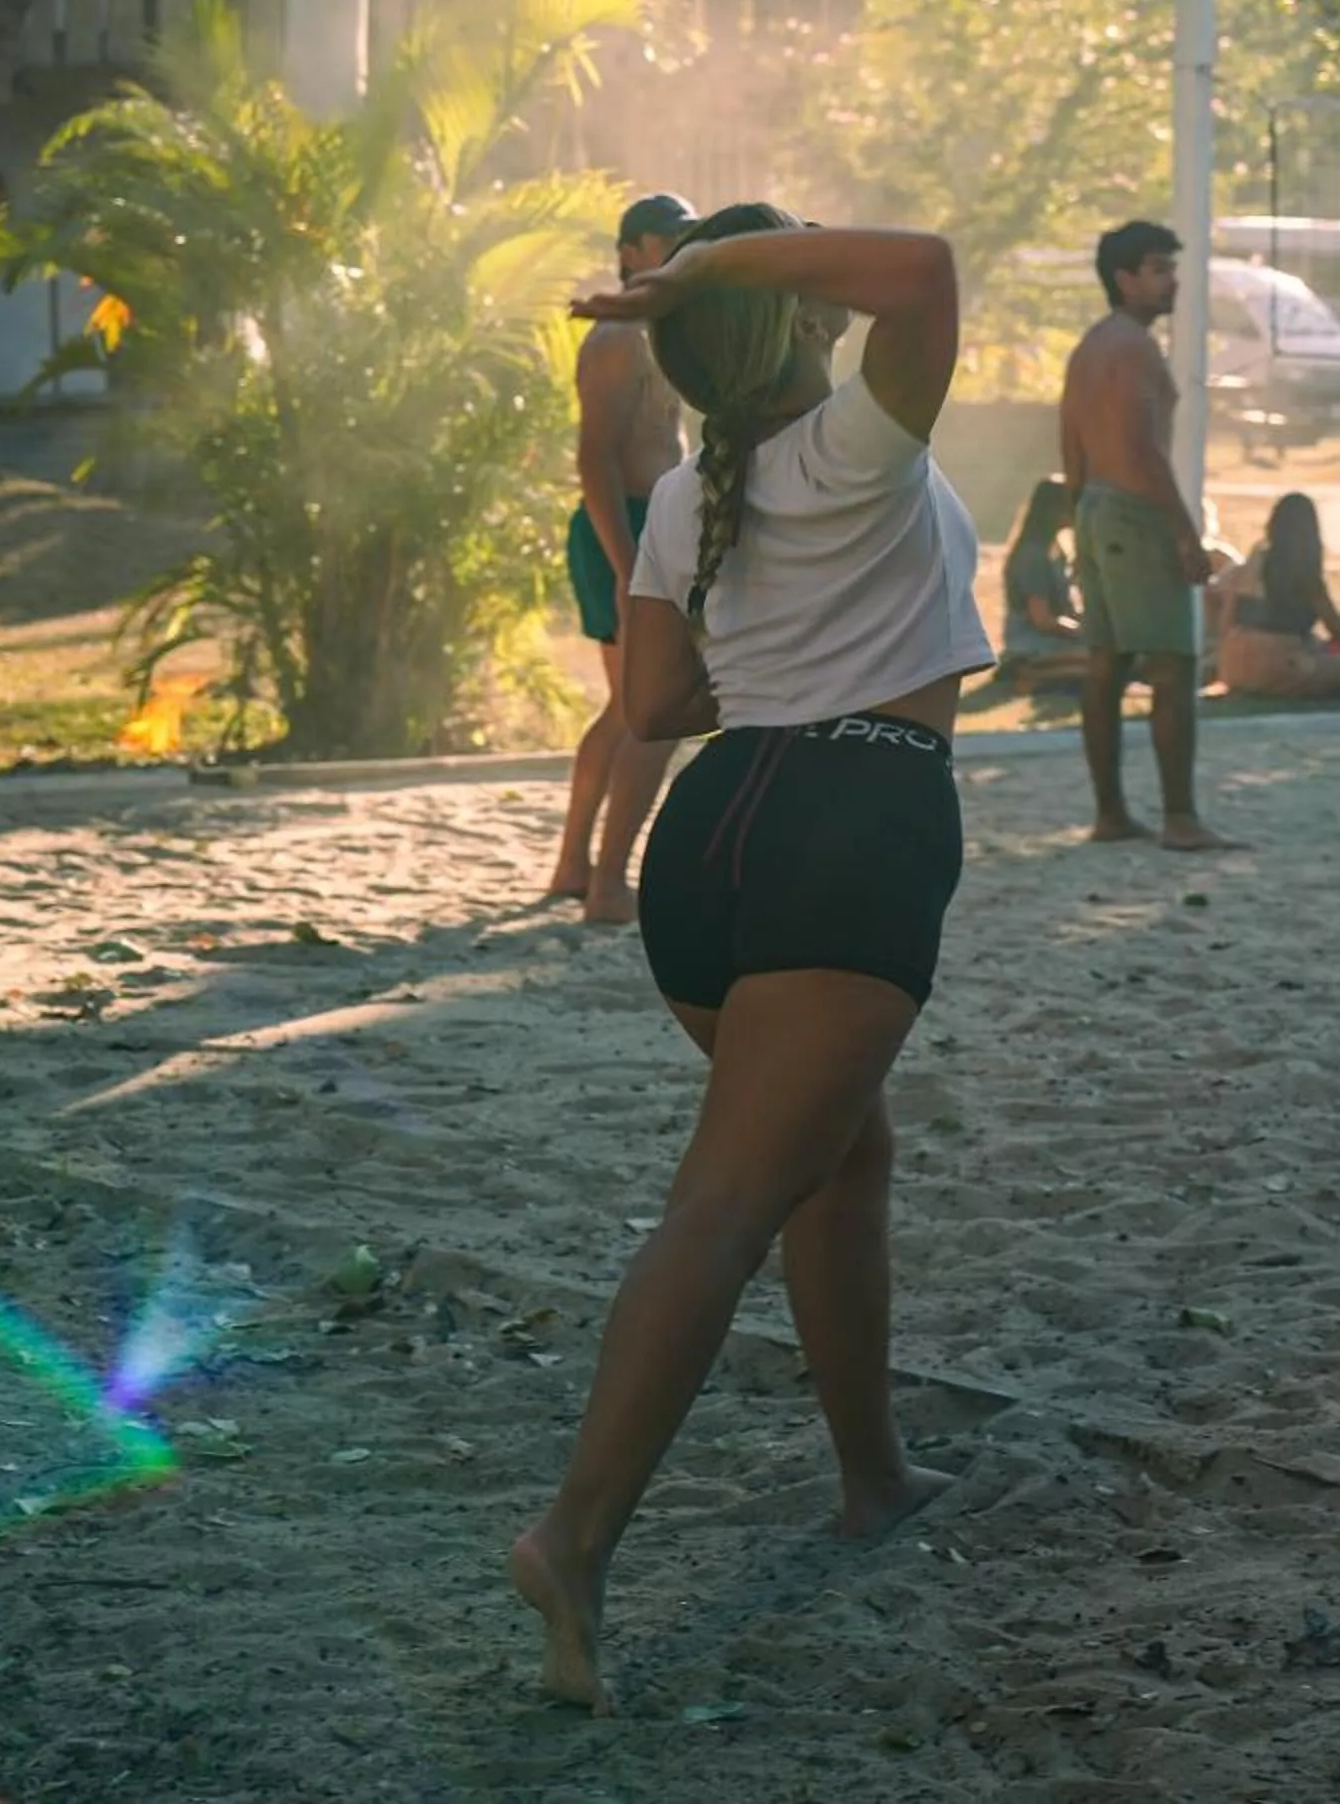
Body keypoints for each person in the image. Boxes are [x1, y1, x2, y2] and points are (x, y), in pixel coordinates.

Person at [512, 208, 993, 1712]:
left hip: (713, 847)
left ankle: (874, 1475)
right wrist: (723, 263)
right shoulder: (859, 444)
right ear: (783, 316)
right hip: (847, 829)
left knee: (838, 1160)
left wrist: (789, 668)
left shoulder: (687, 494)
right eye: (790, 276)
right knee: (724, 1204)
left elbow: (654, 705)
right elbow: (922, 267)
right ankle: (573, 1537)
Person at [1059, 218, 1232, 851]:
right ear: (1124, 278)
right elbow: (1140, 447)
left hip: (1097, 511)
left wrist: (1079, 521)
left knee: (1106, 666)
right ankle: (1181, 818)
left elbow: (1071, 445)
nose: (1172, 280)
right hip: (1134, 510)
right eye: (1158, 268)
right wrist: (1185, 532)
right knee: (1173, 667)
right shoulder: (1131, 346)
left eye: (1172, 267)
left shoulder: (1091, 345)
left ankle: (1111, 813)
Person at [547, 193, 694, 924]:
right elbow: (595, 461)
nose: (679, 249)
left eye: (687, 238)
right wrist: (628, 562)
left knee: (625, 710)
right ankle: (607, 888)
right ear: (630, 250)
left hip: (659, 526)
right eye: (665, 239)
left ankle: (573, 867)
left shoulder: (668, 329)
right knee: (650, 714)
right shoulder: (615, 339)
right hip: (625, 529)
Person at [1215, 492, 1340, 701]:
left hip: (1234, 668)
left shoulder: (1252, 562)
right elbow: (1337, 631)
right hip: (1286, 667)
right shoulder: (1303, 569)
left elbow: (1227, 622)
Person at [999, 475, 1088, 688]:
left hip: (1057, 640)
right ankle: (1030, 674)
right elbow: (1043, 620)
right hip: (1031, 646)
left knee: (1111, 657)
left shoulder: (1057, 553)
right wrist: (1081, 632)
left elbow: (1067, 611)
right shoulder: (1033, 556)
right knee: (1100, 663)